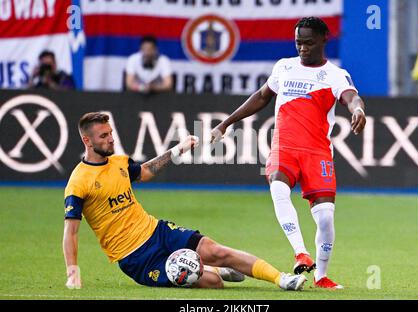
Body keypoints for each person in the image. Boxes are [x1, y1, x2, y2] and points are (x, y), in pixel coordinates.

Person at [63, 112, 307, 290]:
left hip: (157, 231)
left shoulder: (119, 162)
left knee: (216, 249)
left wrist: (177, 150)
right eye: (104, 136)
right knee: (213, 283)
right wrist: (72, 271)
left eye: (111, 134)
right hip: (136, 258)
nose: (111, 139)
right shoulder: (79, 182)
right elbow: (71, 232)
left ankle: (281, 278)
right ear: (87, 141)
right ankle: (215, 271)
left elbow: (145, 172)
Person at [210, 17, 366, 289]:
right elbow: (261, 96)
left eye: (308, 43)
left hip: (317, 153)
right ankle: (300, 252)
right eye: (298, 42)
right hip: (284, 147)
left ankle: (321, 276)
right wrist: (227, 122)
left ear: (323, 40)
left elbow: (351, 97)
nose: (302, 48)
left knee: (326, 217)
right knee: (278, 188)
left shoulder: (335, 74)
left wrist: (358, 110)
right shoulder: (284, 66)